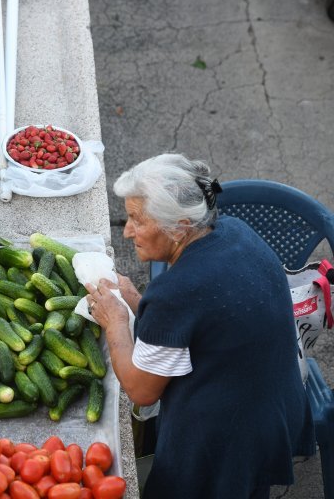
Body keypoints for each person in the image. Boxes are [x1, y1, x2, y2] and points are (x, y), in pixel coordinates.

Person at [84, 153, 315, 499]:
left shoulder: (176, 292)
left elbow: (142, 389)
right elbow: (198, 320)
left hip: (226, 436)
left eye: (136, 219)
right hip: (276, 406)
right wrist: (134, 297)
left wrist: (115, 321)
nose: (127, 230)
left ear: (178, 227)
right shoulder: (235, 231)